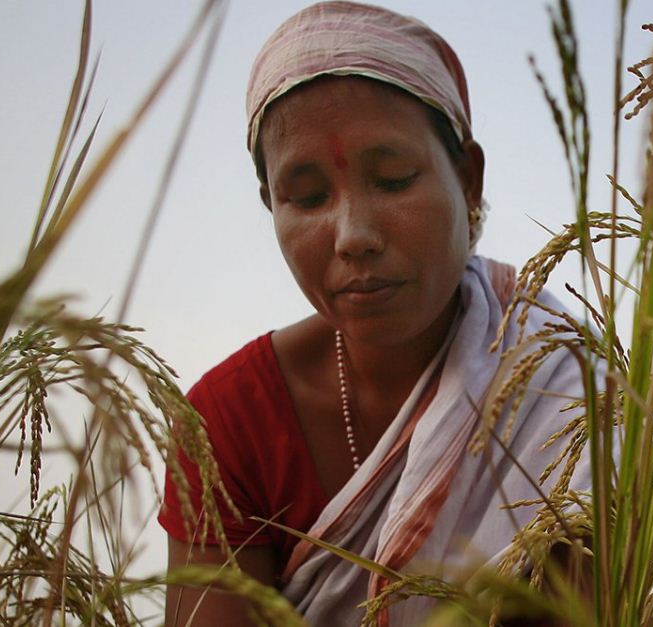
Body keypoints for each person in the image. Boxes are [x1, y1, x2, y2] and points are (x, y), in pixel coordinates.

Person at [159, 3, 590, 624]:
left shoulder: (564, 384)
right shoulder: (228, 425)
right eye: (306, 198)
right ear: (269, 206)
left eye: (391, 180)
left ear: (468, 180)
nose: (353, 235)